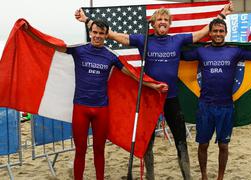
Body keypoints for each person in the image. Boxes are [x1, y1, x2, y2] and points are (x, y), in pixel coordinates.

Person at [75, 2, 233, 179]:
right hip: (149, 99)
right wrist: (87, 21)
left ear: (170, 23)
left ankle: (187, 176)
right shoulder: (144, 40)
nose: (163, 22)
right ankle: (150, 176)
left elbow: (203, 33)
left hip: (171, 99)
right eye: (159, 19)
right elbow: (114, 35)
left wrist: (222, 15)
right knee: (147, 143)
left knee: (181, 141)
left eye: (166, 19)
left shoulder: (177, 40)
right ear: (153, 23)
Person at [23, 20, 167, 180]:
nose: (97, 36)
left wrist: (153, 86)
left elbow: (131, 73)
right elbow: (53, 45)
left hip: (101, 109)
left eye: (101, 33)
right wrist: (30, 32)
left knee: (99, 150)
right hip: (81, 108)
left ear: (106, 35)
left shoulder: (110, 55)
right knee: (80, 150)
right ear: (90, 32)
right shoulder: (79, 50)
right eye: (95, 32)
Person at [181, 18, 251, 180]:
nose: (218, 34)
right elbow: (181, 55)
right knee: (203, 144)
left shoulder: (235, 51)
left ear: (225, 33)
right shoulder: (201, 51)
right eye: (215, 31)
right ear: (210, 33)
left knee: (223, 145)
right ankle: (204, 176)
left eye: (221, 31)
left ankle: (220, 177)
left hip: (226, 106)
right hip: (205, 106)